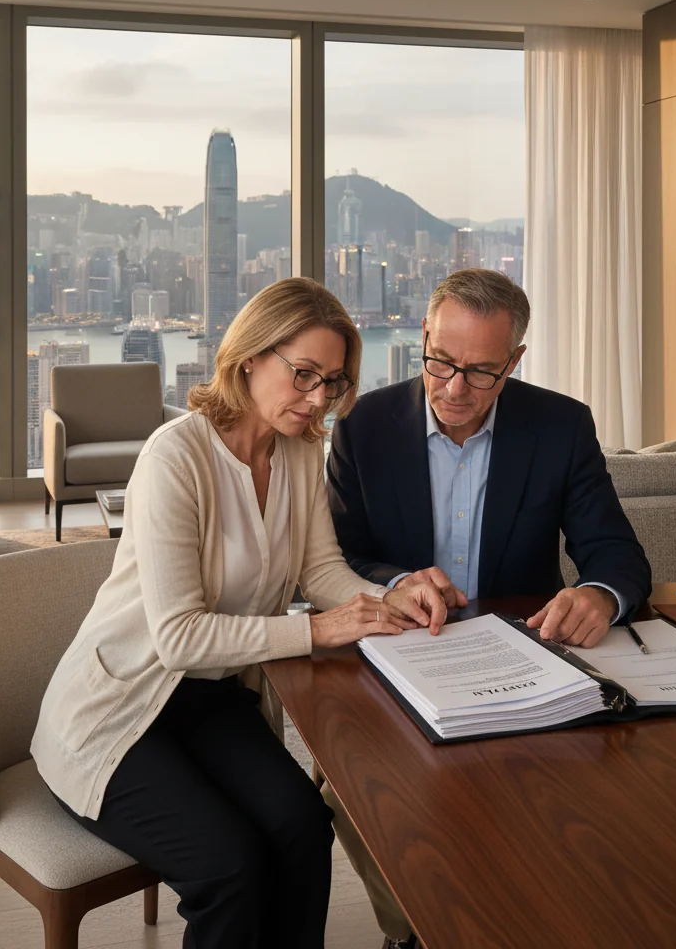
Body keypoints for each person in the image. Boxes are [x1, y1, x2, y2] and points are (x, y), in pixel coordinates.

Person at [30, 277, 447, 949]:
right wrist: (318, 629)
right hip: (119, 711)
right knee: (229, 868)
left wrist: (385, 598)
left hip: (213, 700)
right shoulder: (176, 456)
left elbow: (319, 571)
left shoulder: (303, 449)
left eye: (332, 382)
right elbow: (177, 639)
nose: (317, 399)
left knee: (304, 828)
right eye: (303, 374)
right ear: (250, 357)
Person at [326, 268, 652, 949]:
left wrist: (598, 593)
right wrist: (399, 581)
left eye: (481, 373)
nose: (453, 389)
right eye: (440, 362)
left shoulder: (561, 426)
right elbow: (336, 555)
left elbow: (618, 555)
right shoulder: (363, 425)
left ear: (515, 362)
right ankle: (414, 928)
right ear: (422, 336)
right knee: (352, 794)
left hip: (522, 658)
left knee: (563, 802)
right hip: (399, 652)